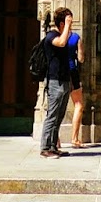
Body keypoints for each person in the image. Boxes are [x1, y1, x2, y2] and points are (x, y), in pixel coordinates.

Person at [39, 8, 73, 158]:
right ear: (61, 22)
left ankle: (53, 146)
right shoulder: (51, 36)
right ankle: (45, 148)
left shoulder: (61, 35)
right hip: (54, 81)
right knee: (52, 115)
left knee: (59, 116)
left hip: (64, 80)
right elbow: (61, 42)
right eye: (68, 21)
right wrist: (66, 25)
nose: (70, 24)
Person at [67, 19, 87, 146]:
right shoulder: (75, 37)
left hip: (56, 74)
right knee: (78, 104)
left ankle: (55, 140)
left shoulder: (53, 37)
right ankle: (74, 138)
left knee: (56, 107)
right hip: (72, 72)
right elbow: (81, 59)